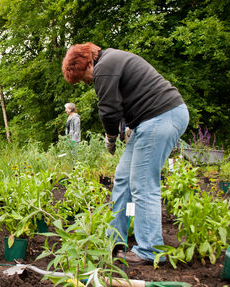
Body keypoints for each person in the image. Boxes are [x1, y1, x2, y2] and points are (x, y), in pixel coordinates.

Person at [62, 43, 189, 264]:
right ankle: (115, 240)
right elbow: (123, 104)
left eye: (84, 77)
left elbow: (109, 110)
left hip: (162, 116)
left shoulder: (105, 66)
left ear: (88, 63)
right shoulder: (111, 62)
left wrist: (111, 138)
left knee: (143, 184)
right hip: (148, 122)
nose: (88, 81)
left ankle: (149, 250)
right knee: (122, 178)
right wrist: (126, 129)